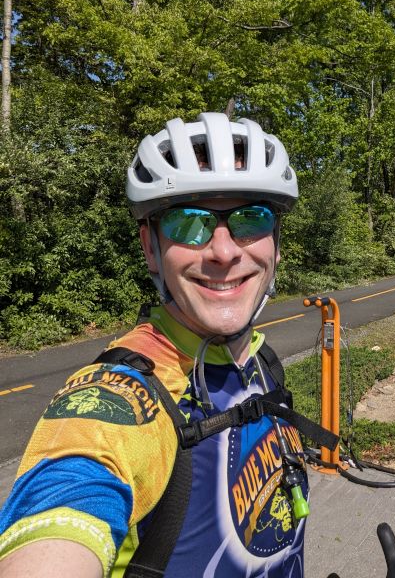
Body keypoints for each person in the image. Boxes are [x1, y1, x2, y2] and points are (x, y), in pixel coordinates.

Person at [0, 112, 324, 578]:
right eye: (189, 223)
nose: (225, 251)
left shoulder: (260, 360)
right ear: (151, 247)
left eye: (251, 219)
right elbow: (67, 495)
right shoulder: (121, 396)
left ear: (275, 242)